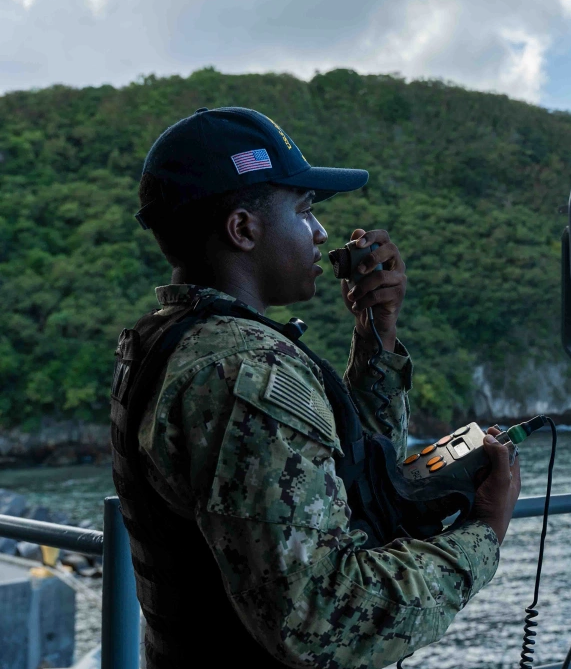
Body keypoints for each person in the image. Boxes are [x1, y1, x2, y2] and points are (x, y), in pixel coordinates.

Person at [110, 106, 521, 668]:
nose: (321, 234)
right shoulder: (245, 371)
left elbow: (346, 476)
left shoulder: (173, 341)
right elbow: (324, 617)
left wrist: (376, 333)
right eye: (304, 211)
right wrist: (483, 532)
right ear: (243, 229)